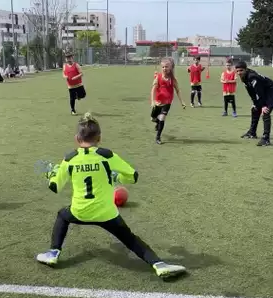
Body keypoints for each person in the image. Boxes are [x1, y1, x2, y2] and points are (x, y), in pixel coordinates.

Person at [35, 113, 187, 279]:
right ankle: (159, 265)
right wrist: (116, 177)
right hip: (106, 213)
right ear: (99, 138)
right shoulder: (107, 156)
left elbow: (55, 187)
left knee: (62, 216)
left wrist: (49, 175)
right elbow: (133, 176)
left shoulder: (69, 159)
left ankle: (53, 253)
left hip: (79, 211)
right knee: (130, 239)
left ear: (77, 138)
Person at [235, 61, 273, 147]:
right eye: (237, 71)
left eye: (241, 70)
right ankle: (252, 133)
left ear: (245, 69)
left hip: (272, 91)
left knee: (265, 112)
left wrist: (263, 106)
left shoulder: (252, 77)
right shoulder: (244, 77)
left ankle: (266, 138)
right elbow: (251, 91)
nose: (239, 73)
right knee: (255, 109)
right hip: (264, 91)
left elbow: (259, 92)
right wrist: (255, 103)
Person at [150, 57, 186, 145]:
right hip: (158, 102)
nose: (164, 69)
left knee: (162, 118)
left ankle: (158, 137)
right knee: (153, 118)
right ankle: (157, 122)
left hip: (167, 103)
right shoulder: (158, 77)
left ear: (170, 68)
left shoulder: (172, 80)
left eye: (166, 67)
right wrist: (153, 101)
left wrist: (182, 102)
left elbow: (178, 90)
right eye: (163, 67)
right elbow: (153, 90)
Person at [62, 51, 86, 115]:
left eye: (70, 57)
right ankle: (73, 110)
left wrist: (76, 77)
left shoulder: (76, 65)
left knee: (83, 95)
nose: (68, 59)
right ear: (65, 59)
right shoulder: (64, 66)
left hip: (78, 84)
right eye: (67, 58)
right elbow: (63, 74)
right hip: (71, 86)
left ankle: (77, 96)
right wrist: (65, 77)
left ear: (72, 58)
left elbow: (81, 74)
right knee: (72, 99)